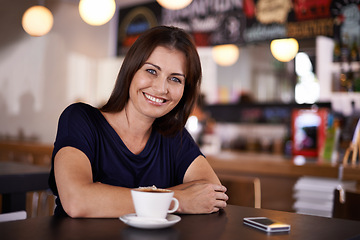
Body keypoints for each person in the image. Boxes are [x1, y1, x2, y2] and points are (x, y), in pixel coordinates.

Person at [48, 26, 228, 218]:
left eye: (175, 79)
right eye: (151, 71)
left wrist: (104, 196)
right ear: (131, 70)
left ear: (186, 90)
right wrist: (179, 200)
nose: (161, 88)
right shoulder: (81, 119)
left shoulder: (174, 135)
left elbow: (212, 193)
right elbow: (77, 200)